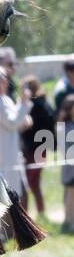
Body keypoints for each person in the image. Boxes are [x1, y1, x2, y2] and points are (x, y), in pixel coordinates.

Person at [0, 51, 31, 199]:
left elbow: (15, 119)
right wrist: (23, 103)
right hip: (3, 154)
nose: (6, 82)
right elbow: (12, 122)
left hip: (10, 151)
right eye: (3, 80)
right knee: (8, 195)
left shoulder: (3, 101)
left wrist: (21, 107)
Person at [19, 76, 55, 217]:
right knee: (34, 184)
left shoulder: (35, 106)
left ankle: (25, 217)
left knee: (26, 184)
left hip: (34, 149)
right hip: (41, 148)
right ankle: (41, 214)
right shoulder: (43, 102)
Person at [61, 94, 74, 234]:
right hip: (71, 169)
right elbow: (66, 149)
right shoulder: (65, 127)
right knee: (70, 197)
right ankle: (69, 223)